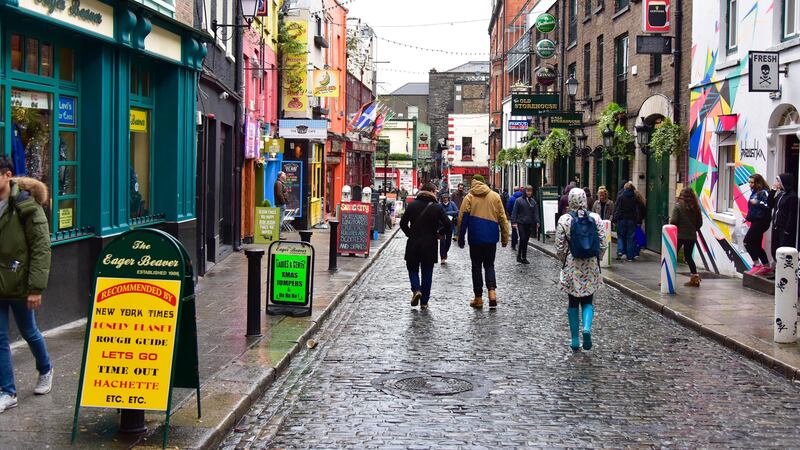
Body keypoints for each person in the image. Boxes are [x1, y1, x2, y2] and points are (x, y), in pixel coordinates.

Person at [0, 156, 53, 413]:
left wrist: (35, 288)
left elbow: (41, 248)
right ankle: (7, 392)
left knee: (28, 331)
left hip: (20, 282)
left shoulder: (26, 205)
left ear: (7, 175)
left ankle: (46, 369)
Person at [555, 188, 606, 351]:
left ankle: (575, 339)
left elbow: (559, 246)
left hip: (572, 264)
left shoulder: (565, 219)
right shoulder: (596, 218)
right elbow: (603, 242)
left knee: (572, 302)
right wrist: (599, 257)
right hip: (590, 264)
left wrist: (563, 259)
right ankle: (587, 328)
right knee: (588, 300)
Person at [458, 175, 510, 309]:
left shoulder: (469, 197)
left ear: (473, 183)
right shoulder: (495, 196)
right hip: (491, 238)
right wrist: (504, 238)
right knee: (489, 265)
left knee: (476, 267)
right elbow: (503, 219)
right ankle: (492, 292)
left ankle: (478, 298)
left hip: (475, 238)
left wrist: (461, 237)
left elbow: (462, 219)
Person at [400, 183, 451, 310]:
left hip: (414, 243)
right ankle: (424, 302)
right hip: (430, 244)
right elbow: (448, 225)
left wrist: (409, 233)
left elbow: (402, 223)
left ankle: (416, 289)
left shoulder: (412, 205)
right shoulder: (437, 207)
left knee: (412, 269)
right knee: (427, 272)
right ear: (432, 191)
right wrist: (440, 233)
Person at [766, 173, 799, 277]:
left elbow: (791, 214)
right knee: (775, 249)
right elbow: (770, 204)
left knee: (782, 250)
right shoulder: (780, 195)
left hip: (784, 229)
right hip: (776, 226)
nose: (778, 184)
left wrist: (787, 229)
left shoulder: (792, 197)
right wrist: (773, 191)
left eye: (779, 182)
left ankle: (782, 274)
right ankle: (776, 271)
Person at [670, 187, 704, 287]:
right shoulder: (696, 207)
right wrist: (693, 229)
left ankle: (668, 278)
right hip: (691, 236)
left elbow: (674, 221)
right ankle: (695, 279)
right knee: (689, 257)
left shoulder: (678, 206)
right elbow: (700, 223)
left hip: (679, 235)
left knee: (672, 256)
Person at [744, 174, 772, 275]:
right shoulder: (754, 192)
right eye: (749, 183)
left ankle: (757, 264)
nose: (750, 185)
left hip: (762, 221)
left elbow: (769, 205)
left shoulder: (764, 192)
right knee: (756, 244)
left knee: (747, 242)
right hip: (755, 221)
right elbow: (752, 209)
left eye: (752, 183)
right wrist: (747, 218)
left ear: (758, 183)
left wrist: (758, 202)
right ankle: (766, 266)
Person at [511, 185, 540, 264]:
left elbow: (536, 213)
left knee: (526, 240)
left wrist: (537, 221)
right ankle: (520, 255)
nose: (529, 193)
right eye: (528, 191)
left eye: (530, 191)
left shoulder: (533, 202)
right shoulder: (518, 201)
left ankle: (523, 256)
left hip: (529, 223)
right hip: (521, 223)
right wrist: (513, 222)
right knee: (523, 238)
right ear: (525, 191)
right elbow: (514, 212)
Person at [613, 182, 639, 261]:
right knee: (630, 238)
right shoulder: (635, 198)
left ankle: (620, 251)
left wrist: (614, 218)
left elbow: (617, 208)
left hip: (621, 219)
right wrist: (637, 220)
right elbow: (637, 210)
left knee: (620, 236)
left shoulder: (621, 197)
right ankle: (630, 256)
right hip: (631, 220)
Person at [439, 192, 459, 264]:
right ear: (442, 199)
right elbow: (437, 214)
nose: (445, 199)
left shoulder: (452, 204)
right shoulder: (439, 205)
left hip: (450, 225)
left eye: (446, 198)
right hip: (441, 226)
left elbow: (457, 212)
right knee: (442, 242)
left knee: (448, 242)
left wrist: (447, 213)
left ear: (448, 198)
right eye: (444, 198)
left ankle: (445, 253)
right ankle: (442, 257)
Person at [506, 186, 524, 250]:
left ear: (514, 190)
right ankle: (522, 245)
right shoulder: (522, 197)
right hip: (521, 217)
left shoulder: (511, 198)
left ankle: (514, 244)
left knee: (514, 230)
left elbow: (508, 207)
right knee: (522, 231)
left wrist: (510, 214)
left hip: (513, 217)